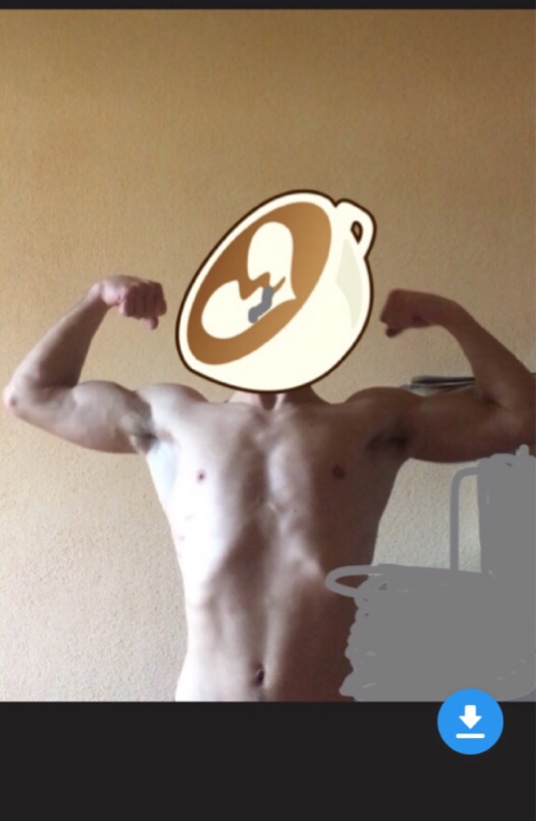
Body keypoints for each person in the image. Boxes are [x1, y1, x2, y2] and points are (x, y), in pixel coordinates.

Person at [4, 276, 535, 701]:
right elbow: (28, 396)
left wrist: (450, 316)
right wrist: (97, 299)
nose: (270, 316)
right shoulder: (173, 419)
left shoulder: (368, 422)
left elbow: (521, 418)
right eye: (256, 303)